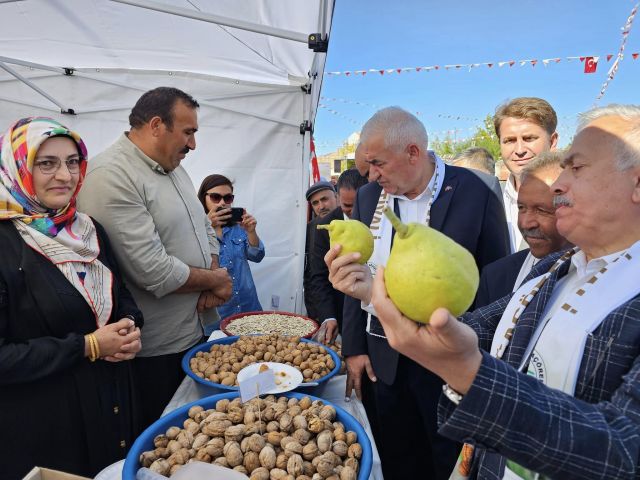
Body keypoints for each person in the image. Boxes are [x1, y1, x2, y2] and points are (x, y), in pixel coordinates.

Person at [369, 104, 640, 479]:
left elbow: (625, 451)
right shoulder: (553, 269)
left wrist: (467, 371)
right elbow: (477, 328)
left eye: (576, 168)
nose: (559, 185)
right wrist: (376, 295)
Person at [325, 107, 510, 480]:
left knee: (446, 458)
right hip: (384, 359)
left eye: (378, 163)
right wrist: (355, 348)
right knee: (396, 454)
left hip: (447, 360)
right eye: (368, 166)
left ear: (413, 152)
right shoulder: (368, 197)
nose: (372, 174)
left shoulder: (476, 191)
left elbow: (496, 281)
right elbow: (355, 272)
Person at [77, 87, 232, 432]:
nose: (193, 145)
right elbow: (153, 270)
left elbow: (203, 228)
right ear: (157, 125)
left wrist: (211, 273)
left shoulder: (174, 167)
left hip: (195, 331)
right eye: (188, 132)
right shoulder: (111, 176)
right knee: (165, 440)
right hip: (155, 352)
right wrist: (216, 280)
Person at [0, 117, 143, 479]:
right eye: (46, 163)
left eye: (72, 162)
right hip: (48, 427)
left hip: (109, 405)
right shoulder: (4, 243)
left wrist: (129, 325)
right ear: (17, 168)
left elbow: (120, 293)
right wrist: (88, 346)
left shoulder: (90, 229)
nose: (65, 175)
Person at [475, 151, 572, 307]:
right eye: (521, 208)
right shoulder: (495, 277)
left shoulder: (600, 274)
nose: (527, 223)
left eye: (542, 210)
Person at [197, 174, 265, 331]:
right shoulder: (195, 229)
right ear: (203, 198)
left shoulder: (237, 227)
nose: (222, 202)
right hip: (217, 314)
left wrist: (251, 232)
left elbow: (257, 256)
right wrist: (206, 226)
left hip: (249, 308)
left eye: (227, 198)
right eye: (215, 197)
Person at [309, 168, 368, 344]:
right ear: (338, 197)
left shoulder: (380, 218)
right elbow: (318, 276)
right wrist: (328, 316)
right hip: (343, 311)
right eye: (348, 206)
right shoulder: (323, 226)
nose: (355, 212)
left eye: (360, 205)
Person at [495, 97, 559, 252]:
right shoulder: (487, 197)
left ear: (553, 141)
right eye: (509, 141)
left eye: (529, 138)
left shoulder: (574, 196)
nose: (519, 150)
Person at [304, 180, 339, 319]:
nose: (321, 206)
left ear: (336, 197)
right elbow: (312, 274)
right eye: (315, 203)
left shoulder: (352, 219)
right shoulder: (310, 229)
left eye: (324, 199)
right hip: (324, 307)